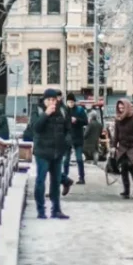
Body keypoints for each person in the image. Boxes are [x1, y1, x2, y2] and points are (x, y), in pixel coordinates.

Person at [30, 89, 71, 219]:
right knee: (41, 180)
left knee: (56, 181)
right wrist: (46, 114)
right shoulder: (38, 110)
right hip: (42, 151)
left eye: (54, 100)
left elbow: (68, 128)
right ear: (45, 100)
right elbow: (35, 127)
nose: (52, 102)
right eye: (49, 100)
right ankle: (41, 210)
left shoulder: (63, 111)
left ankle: (56, 210)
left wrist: (66, 142)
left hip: (57, 151)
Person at [62, 93, 89, 185]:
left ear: (74, 102)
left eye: (72, 102)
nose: (70, 103)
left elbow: (86, 122)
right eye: (69, 102)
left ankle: (82, 177)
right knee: (66, 159)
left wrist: (77, 120)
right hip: (68, 137)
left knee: (79, 159)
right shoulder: (64, 110)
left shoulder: (80, 110)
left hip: (78, 137)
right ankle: (64, 177)